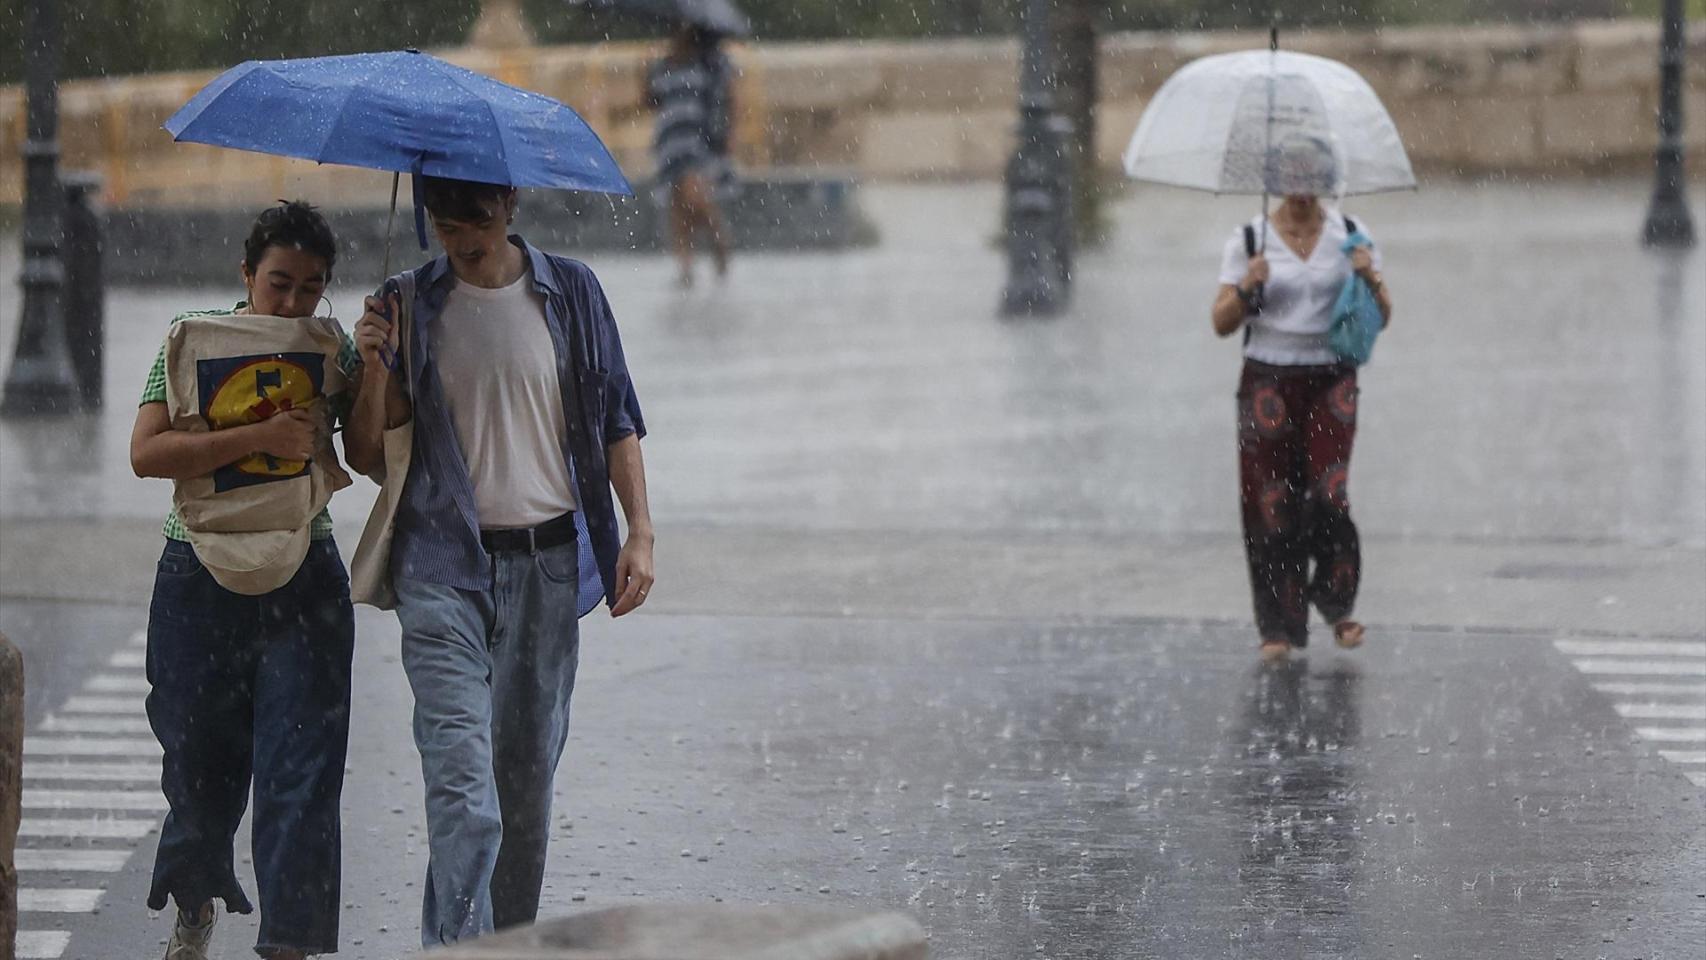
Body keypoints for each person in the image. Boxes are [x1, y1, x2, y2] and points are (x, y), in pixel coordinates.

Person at [344, 175, 654, 947]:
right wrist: (374, 361)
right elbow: (362, 454)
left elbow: (617, 417)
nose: (461, 238)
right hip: (442, 569)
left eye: (476, 219)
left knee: (522, 800)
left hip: (549, 568)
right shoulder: (406, 303)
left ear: (510, 202)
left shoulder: (572, 291)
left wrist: (639, 530)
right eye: (444, 224)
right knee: (466, 798)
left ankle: (504, 944)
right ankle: (454, 950)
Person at [130, 201, 361, 960]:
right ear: (246, 276)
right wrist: (260, 436)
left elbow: (371, 454)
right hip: (197, 571)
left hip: (305, 574)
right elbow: (147, 453)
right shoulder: (192, 341)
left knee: (302, 777)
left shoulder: (334, 349)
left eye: (311, 287)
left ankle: (287, 944)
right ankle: (194, 905)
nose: (292, 304)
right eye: (278, 284)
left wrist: (379, 364)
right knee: (199, 772)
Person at [1210, 137, 1393, 664]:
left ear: (1326, 180)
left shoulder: (1352, 234)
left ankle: (1335, 602)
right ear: (1275, 180)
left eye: (1311, 178)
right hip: (1268, 378)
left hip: (1332, 377)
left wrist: (1369, 275)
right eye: (1291, 177)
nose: (1301, 190)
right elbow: (1221, 323)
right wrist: (1248, 286)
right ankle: (1277, 625)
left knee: (1328, 492)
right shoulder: (1250, 239)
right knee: (1271, 503)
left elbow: (1383, 314)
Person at [646, 25, 736, 288]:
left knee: (696, 197)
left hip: (699, 139)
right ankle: (685, 267)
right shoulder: (662, 65)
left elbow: (729, 97)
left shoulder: (709, 61)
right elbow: (651, 102)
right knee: (677, 206)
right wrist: (640, 73)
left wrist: (729, 133)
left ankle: (720, 244)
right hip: (670, 140)